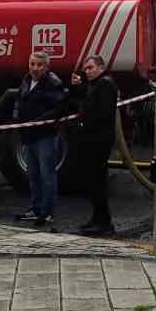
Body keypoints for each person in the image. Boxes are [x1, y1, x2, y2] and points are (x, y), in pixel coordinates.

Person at [13, 51, 67, 228]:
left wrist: (39, 122)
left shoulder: (54, 83)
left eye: (39, 65)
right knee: (33, 174)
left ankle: (47, 212)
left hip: (45, 136)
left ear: (46, 66)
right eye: (32, 64)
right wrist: (17, 119)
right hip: (28, 136)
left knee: (47, 175)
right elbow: (20, 101)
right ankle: (35, 209)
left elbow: (60, 108)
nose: (35, 68)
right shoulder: (26, 80)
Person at [68, 54, 119, 237]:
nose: (87, 72)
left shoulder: (105, 85)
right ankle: (97, 219)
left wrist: (81, 123)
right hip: (93, 140)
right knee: (92, 182)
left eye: (91, 68)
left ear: (101, 67)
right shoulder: (96, 84)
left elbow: (100, 113)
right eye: (86, 68)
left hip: (98, 141)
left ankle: (104, 223)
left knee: (97, 183)